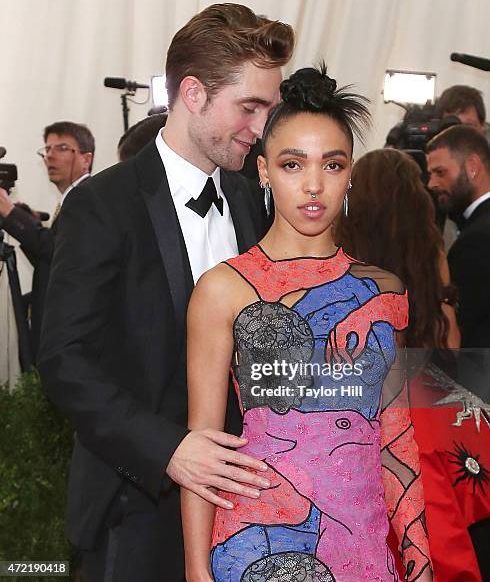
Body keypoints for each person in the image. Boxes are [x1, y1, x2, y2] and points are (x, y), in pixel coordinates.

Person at [38, 3, 294, 582]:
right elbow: (63, 360)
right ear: (195, 94)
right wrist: (170, 449)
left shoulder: (255, 199)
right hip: (135, 508)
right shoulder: (101, 204)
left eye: (268, 110)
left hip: (245, 509)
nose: (260, 129)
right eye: (249, 107)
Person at [182, 66, 432, 581]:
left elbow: (396, 438)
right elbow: (202, 446)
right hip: (258, 543)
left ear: (350, 175)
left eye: (332, 164)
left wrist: (420, 560)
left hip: (363, 545)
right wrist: (195, 570)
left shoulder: (381, 292)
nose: (314, 185)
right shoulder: (223, 289)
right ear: (264, 171)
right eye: (293, 164)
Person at [336, 148, 490, 580]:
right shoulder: (432, 260)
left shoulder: (340, 267)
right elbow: (455, 355)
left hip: (363, 437)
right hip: (435, 432)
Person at [0, 121, 94, 358]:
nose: (50, 156)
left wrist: (11, 214)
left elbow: (57, 252)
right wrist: (24, 220)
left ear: (86, 158)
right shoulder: (69, 201)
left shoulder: (87, 198)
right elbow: (51, 263)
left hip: (74, 337)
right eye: (47, 149)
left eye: (61, 148)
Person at [426, 125, 490, 353]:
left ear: (472, 167)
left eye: (440, 172)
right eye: (430, 174)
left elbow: (466, 335)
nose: (431, 183)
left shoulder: (476, 241)